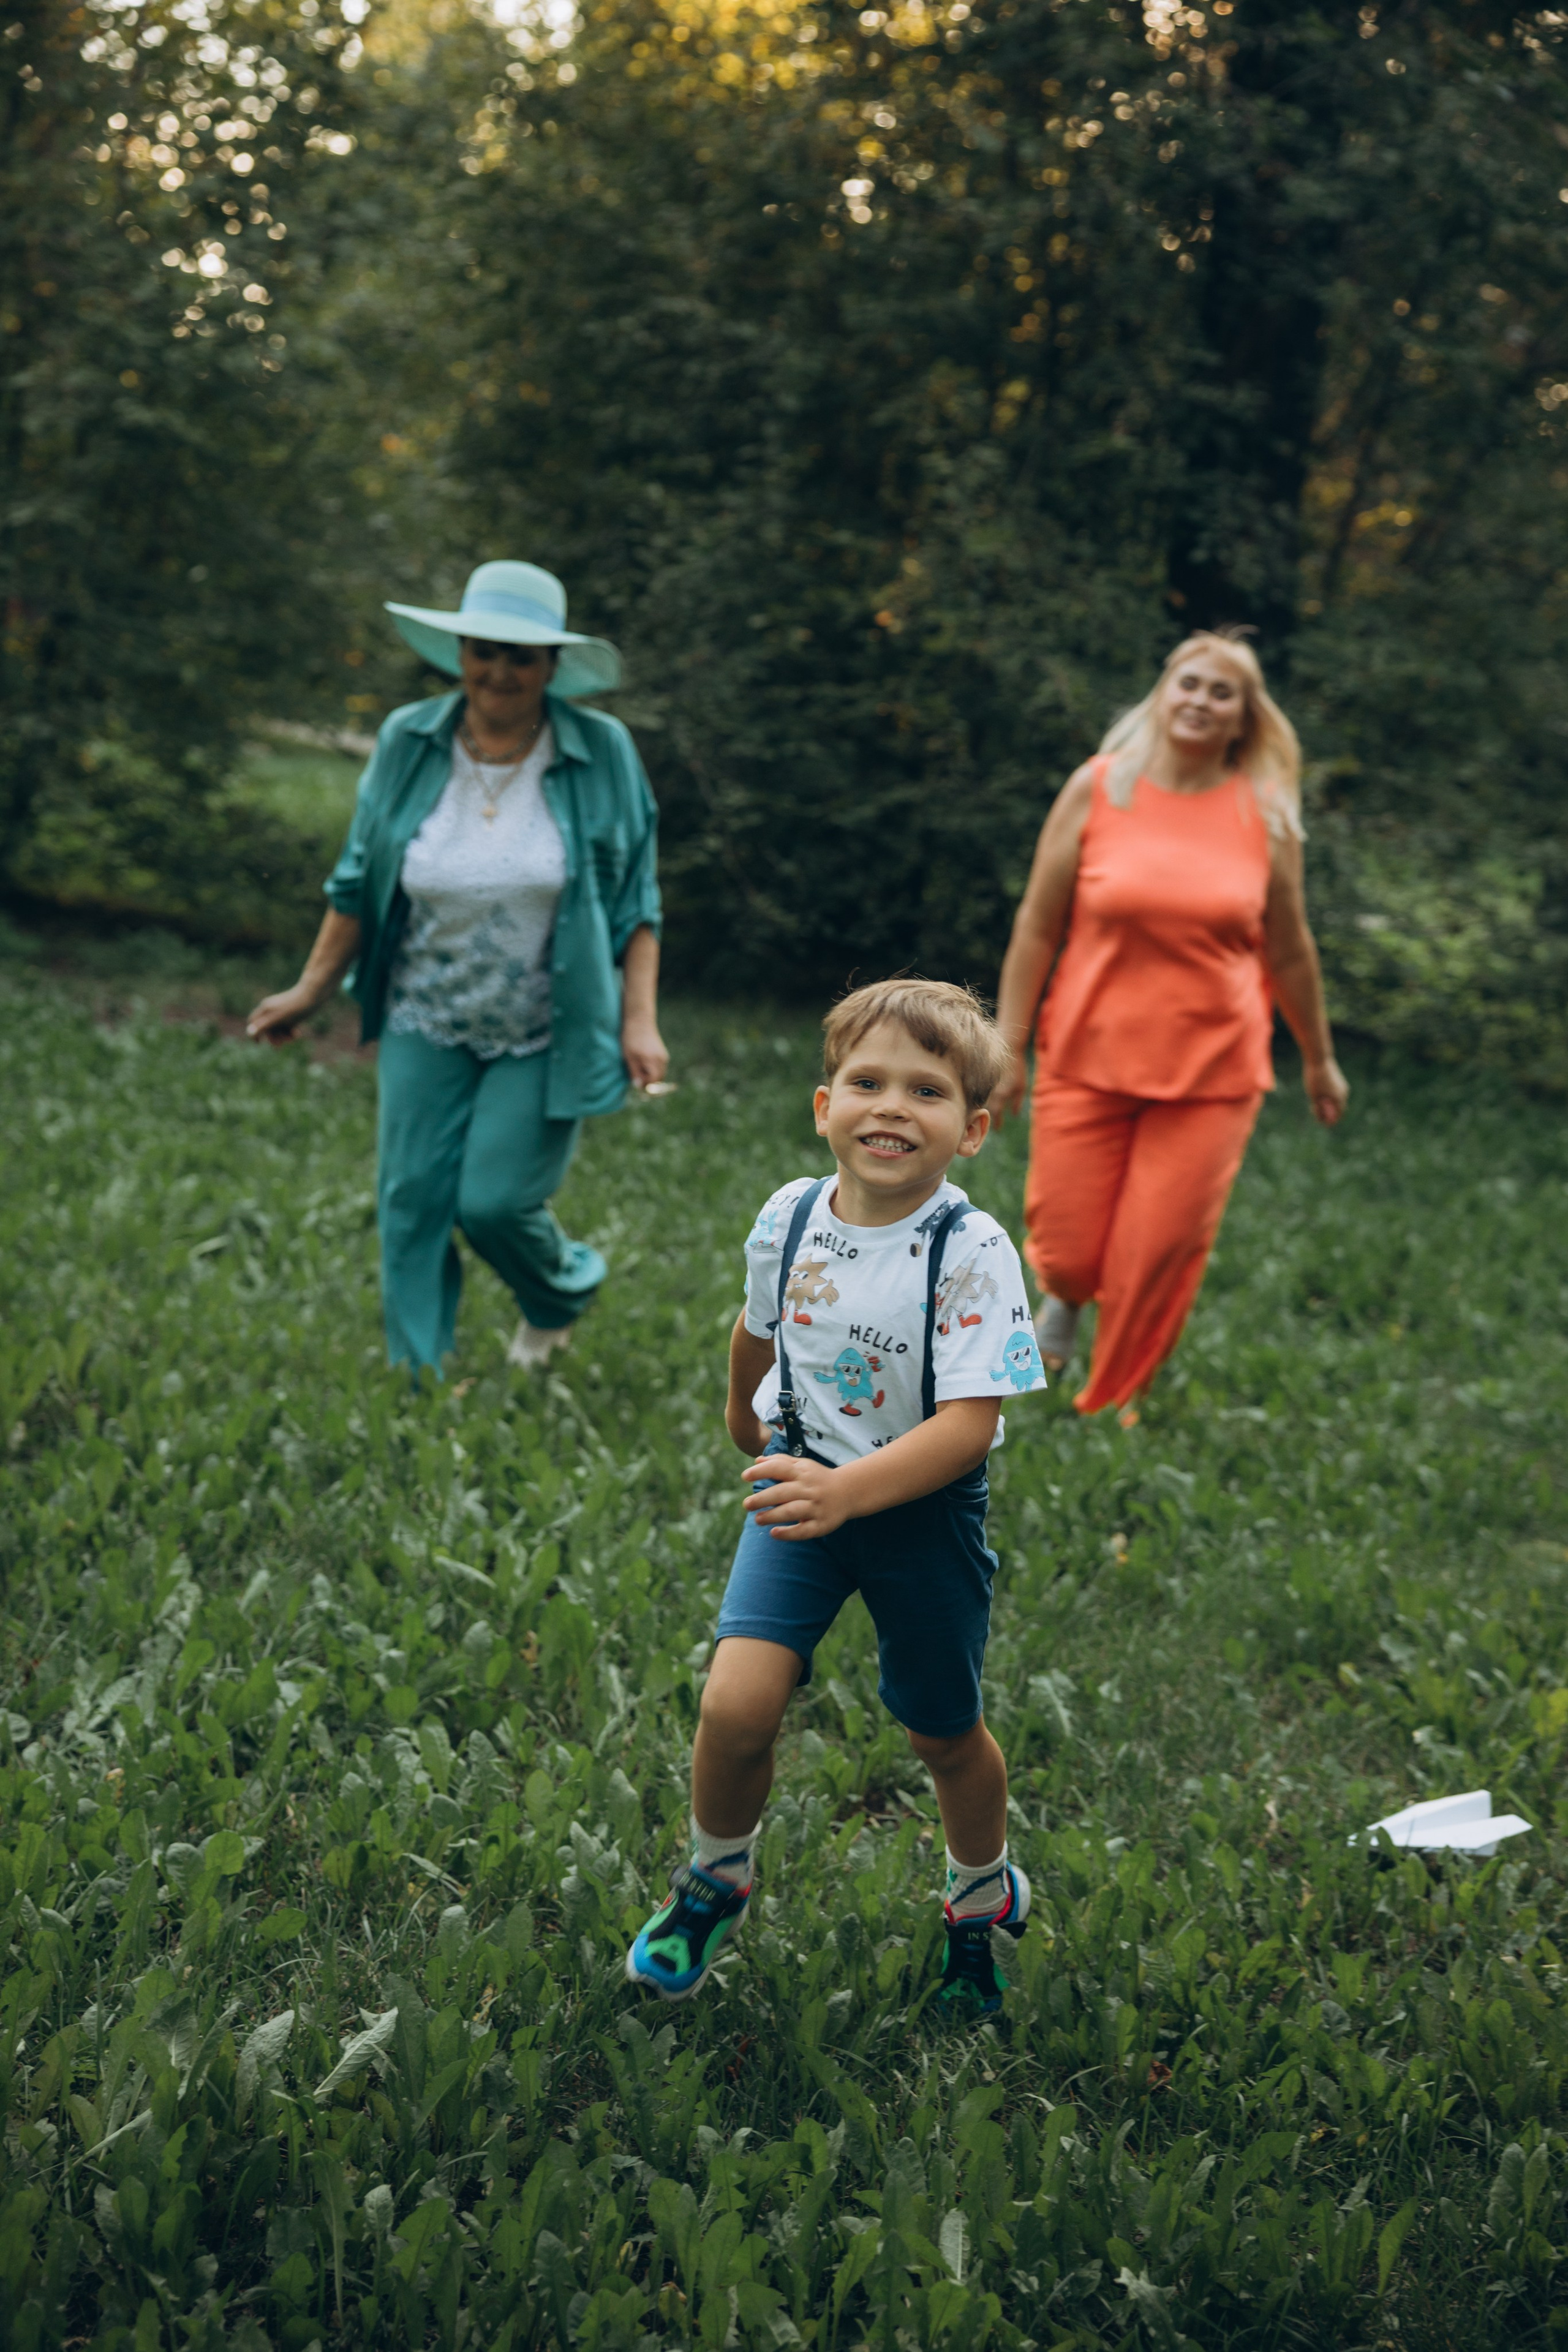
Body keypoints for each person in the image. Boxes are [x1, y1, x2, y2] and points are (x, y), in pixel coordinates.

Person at [625, 979, 1047, 2014]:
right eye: (867, 1082)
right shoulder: (793, 1213)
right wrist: (746, 1418)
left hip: (917, 1517)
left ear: (974, 1128)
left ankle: (978, 1893)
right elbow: (757, 1325)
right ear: (826, 1108)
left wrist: (849, 1494)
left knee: (941, 1731)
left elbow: (970, 1427)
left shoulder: (972, 1249)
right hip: (801, 1495)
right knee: (734, 1707)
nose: (893, 1107)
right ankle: (716, 1877)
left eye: (928, 1090)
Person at [247, 560, 666, 1375]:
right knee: (411, 1202)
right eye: (485, 650)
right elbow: (357, 883)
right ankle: (420, 1379)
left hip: (549, 1022)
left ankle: (558, 1290)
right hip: (424, 1012)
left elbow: (637, 901)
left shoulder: (599, 751)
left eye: (521, 657)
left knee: (495, 1202)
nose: (499, 672)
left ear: (551, 667)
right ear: (460, 652)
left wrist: (639, 1020)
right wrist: (309, 988)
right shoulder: (410, 739)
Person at [989, 629, 1348, 1423]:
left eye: (1222, 693)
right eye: (1189, 684)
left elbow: (1289, 951)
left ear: (1243, 719)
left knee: (1157, 1250)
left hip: (1214, 1070)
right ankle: (1066, 1301)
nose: (1201, 701)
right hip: (1088, 1051)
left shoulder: (1264, 812)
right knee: (1072, 1244)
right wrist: (1007, 1047)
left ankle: (1112, 1407)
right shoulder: (1098, 787)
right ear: (1163, 693)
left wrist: (1320, 1059)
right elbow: (1037, 926)